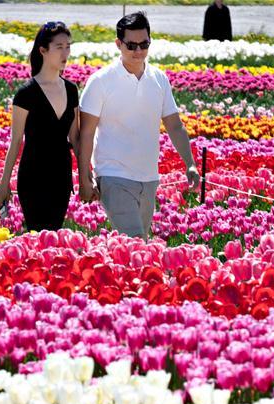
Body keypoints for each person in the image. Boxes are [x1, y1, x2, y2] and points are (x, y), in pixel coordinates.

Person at [78, 12, 200, 241]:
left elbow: (174, 126)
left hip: (149, 177)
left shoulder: (159, 79)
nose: (138, 51)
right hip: (113, 175)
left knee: (138, 246)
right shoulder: (101, 81)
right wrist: (84, 176)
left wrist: (190, 163)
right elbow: (86, 132)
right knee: (136, 241)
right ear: (118, 44)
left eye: (144, 44)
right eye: (131, 45)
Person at [0, 22, 80, 232]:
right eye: (59, 47)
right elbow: (16, 141)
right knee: (37, 235)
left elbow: (76, 138)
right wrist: (4, 184)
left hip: (61, 176)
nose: (65, 53)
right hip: (34, 176)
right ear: (43, 50)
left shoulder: (71, 90)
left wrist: (87, 176)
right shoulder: (26, 93)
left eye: (68, 46)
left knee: (55, 236)